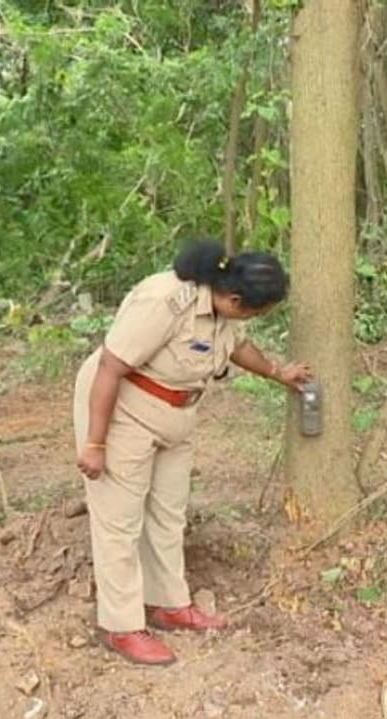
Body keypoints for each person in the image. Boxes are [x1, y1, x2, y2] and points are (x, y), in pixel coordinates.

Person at [72, 239, 312, 666]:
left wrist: (278, 372)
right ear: (235, 299)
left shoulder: (224, 309)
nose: (252, 320)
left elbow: (238, 346)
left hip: (176, 414)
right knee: (119, 521)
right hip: (124, 410)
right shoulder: (164, 301)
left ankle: (167, 603)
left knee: (168, 512)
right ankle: (121, 626)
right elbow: (110, 367)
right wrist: (94, 443)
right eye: (255, 313)